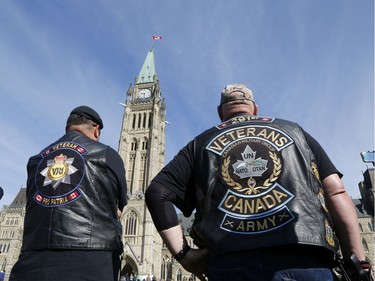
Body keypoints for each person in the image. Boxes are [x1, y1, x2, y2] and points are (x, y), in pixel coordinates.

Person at [145, 84, 369, 281]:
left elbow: (157, 192)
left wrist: (185, 256)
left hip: (230, 263)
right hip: (305, 257)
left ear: (220, 112)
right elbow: (337, 191)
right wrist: (357, 261)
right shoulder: (295, 131)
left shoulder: (200, 143)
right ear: (255, 108)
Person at [10, 106, 127, 281]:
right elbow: (121, 204)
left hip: (32, 261)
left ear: (68, 127)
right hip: (91, 262)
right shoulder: (106, 154)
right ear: (96, 130)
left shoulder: (35, 160)